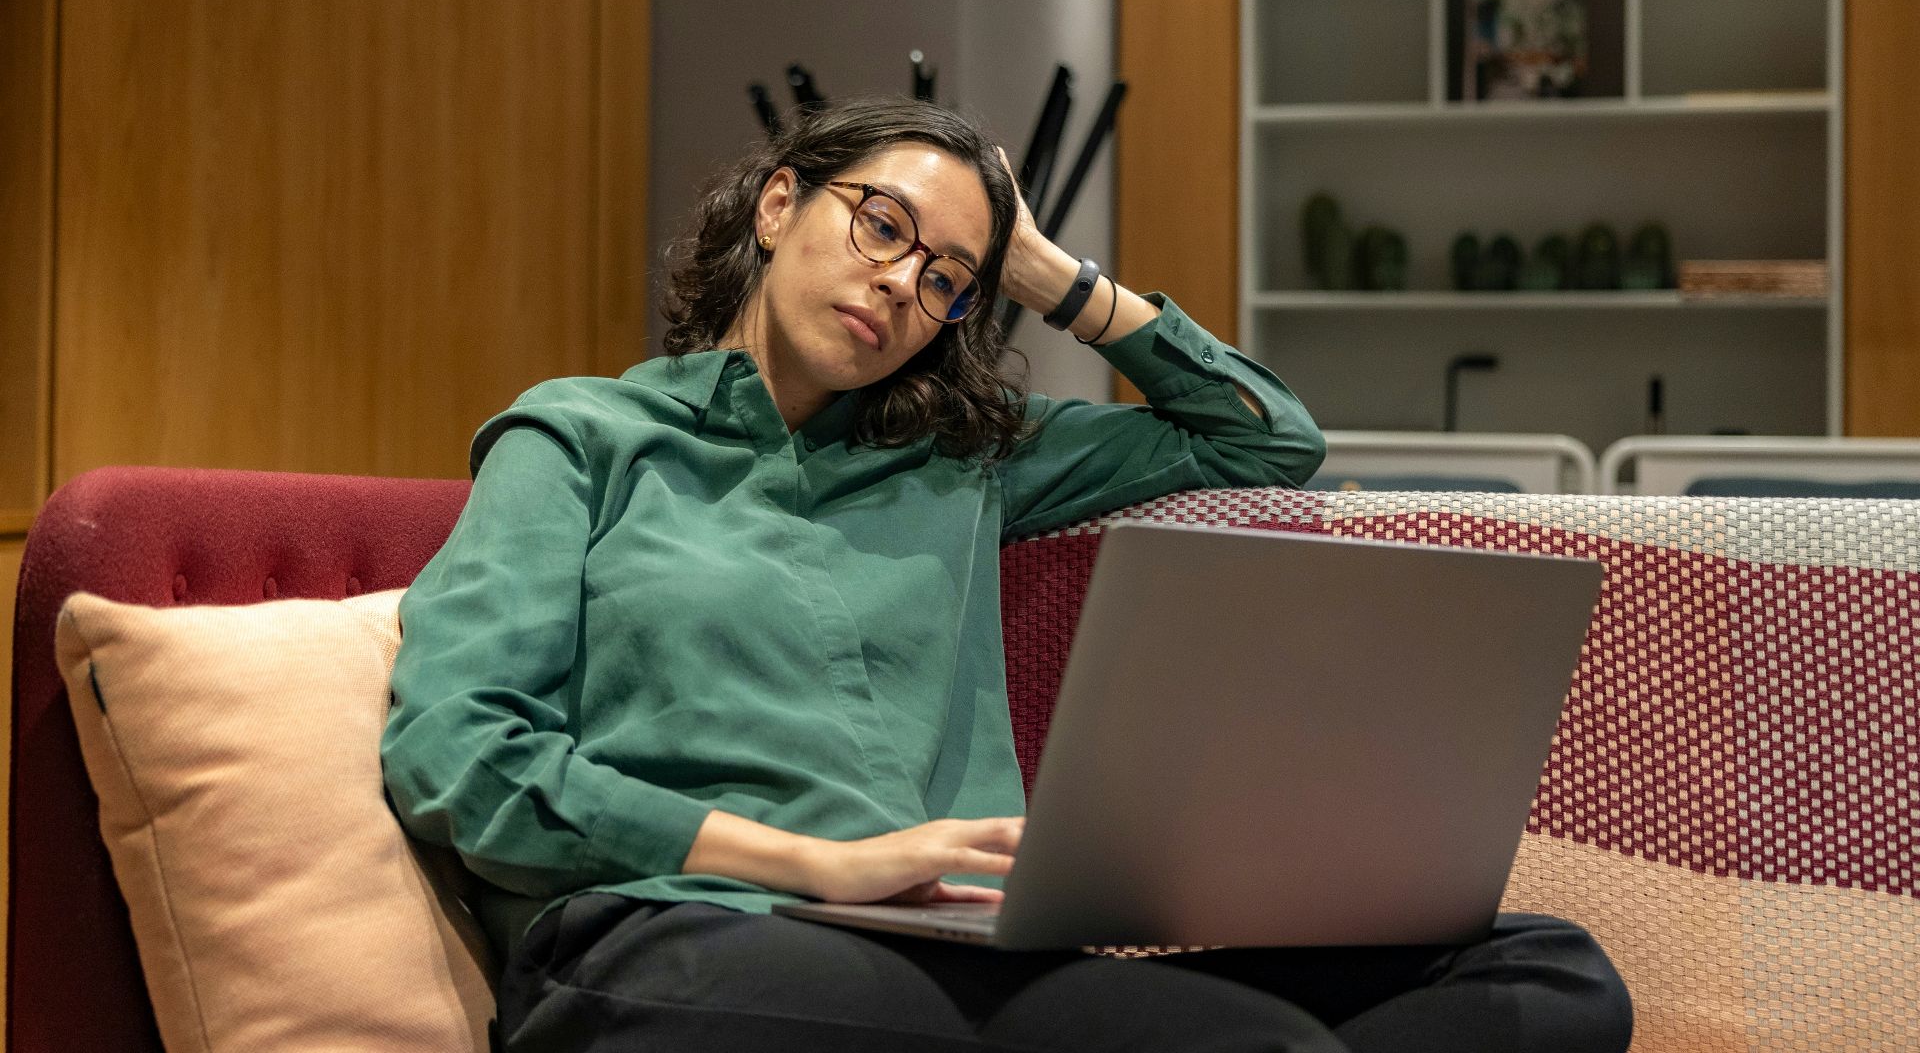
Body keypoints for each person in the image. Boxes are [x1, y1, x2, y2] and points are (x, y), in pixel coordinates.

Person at [381, 95, 1632, 1052]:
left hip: (950, 942)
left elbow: (1265, 439)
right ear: (777, 208)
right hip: (672, 938)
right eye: (882, 225)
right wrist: (811, 863)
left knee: (1548, 985)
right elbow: (457, 752)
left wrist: (1050, 276)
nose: (898, 281)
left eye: (944, 280)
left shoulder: (960, 464)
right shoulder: (581, 437)